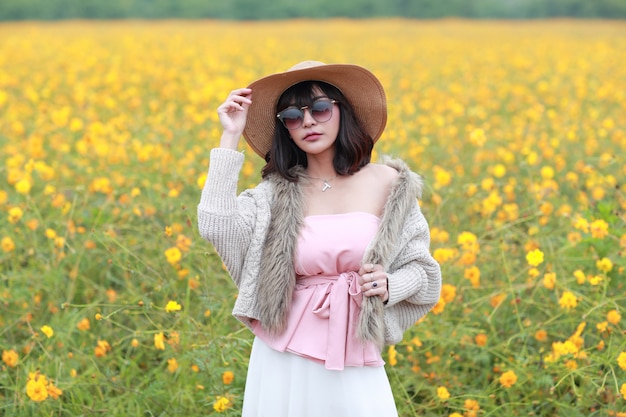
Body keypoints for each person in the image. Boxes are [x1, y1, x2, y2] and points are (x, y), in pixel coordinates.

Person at [197, 61, 442, 417]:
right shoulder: (275, 193)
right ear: (286, 129)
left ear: (344, 111)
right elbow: (215, 225)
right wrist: (229, 137)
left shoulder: (390, 183)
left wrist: (390, 285)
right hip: (283, 353)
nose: (308, 122)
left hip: (354, 347)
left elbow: (423, 271)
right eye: (293, 116)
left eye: (321, 109)